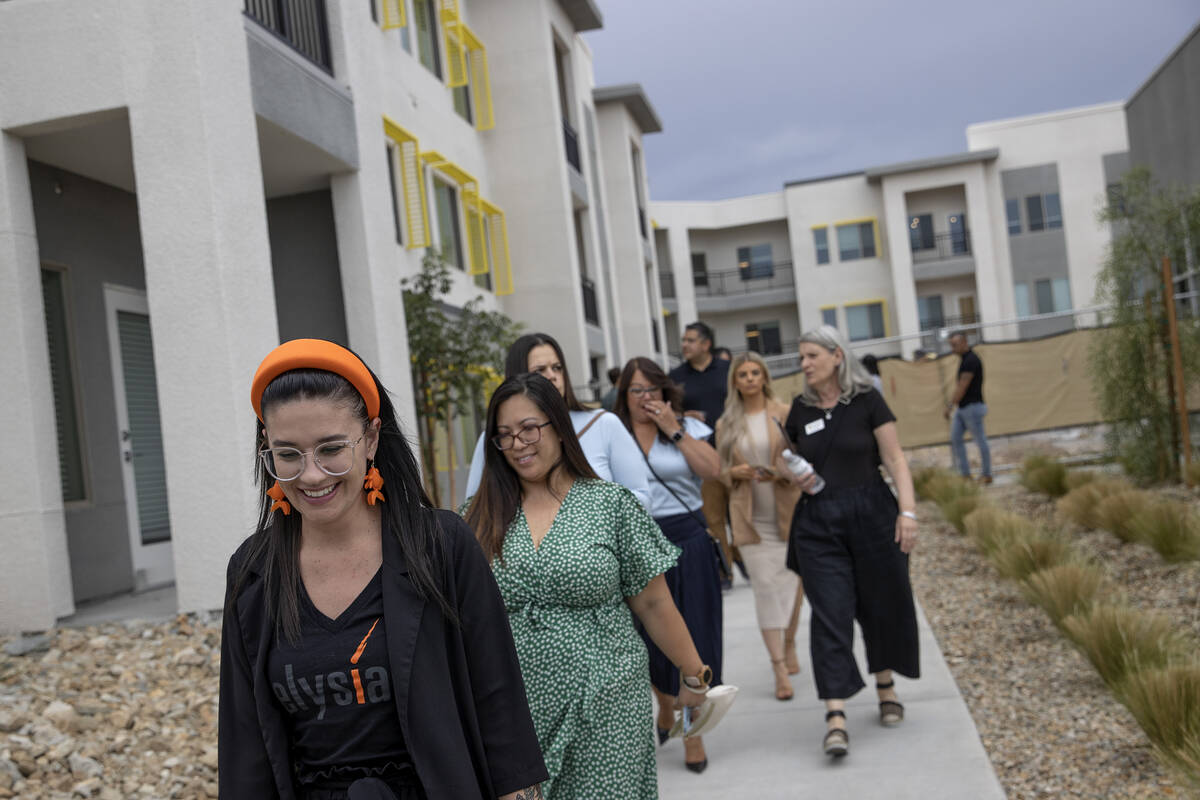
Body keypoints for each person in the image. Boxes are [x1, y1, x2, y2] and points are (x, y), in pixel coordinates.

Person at [220, 338, 547, 800]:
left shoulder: (441, 545)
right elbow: (244, 741)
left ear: (371, 438)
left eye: (331, 449)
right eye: (288, 454)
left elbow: (498, 699)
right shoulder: (253, 572)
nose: (311, 475)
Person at [463, 373, 714, 798]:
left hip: (608, 699)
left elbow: (654, 605)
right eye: (504, 435)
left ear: (559, 427)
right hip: (516, 715)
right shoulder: (477, 517)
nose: (518, 444)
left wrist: (694, 678)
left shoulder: (610, 504)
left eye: (529, 428)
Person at [783, 325, 919, 759]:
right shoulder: (799, 410)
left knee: (880, 605)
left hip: (873, 513)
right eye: (801, 357)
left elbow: (895, 458)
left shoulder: (867, 401)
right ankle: (836, 716)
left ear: (837, 356)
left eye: (811, 356)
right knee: (830, 615)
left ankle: (885, 686)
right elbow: (786, 455)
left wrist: (908, 512)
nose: (804, 364)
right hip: (819, 523)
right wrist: (793, 473)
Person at [615, 357, 723, 773]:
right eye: (637, 391)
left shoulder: (688, 427)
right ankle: (665, 701)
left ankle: (692, 734)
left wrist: (672, 430)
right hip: (636, 542)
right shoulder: (612, 433)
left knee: (697, 639)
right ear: (623, 396)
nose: (646, 398)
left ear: (666, 391)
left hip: (688, 538)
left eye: (653, 390)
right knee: (646, 644)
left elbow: (713, 470)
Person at [465, 333, 650, 509]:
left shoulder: (603, 424)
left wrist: (589, 512)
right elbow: (476, 506)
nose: (552, 376)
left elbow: (642, 498)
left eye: (557, 368)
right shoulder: (496, 438)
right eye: (540, 370)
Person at [715, 352, 805, 701]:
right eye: (743, 374)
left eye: (756, 373)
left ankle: (790, 640)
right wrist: (732, 473)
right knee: (766, 589)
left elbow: (800, 457)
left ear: (765, 377)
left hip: (787, 509)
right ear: (735, 381)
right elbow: (719, 472)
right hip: (749, 517)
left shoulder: (784, 413)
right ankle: (778, 665)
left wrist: (779, 471)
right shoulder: (726, 424)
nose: (750, 379)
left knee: (793, 584)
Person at [668, 322, 737, 587]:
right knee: (714, 517)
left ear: (706, 344)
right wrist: (683, 416)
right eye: (684, 340)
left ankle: (743, 555)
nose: (685, 345)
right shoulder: (675, 376)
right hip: (701, 459)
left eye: (691, 340)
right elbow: (669, 411)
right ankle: (725, 570)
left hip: (733, 453)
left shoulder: (727, 371)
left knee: (742, 513)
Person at [944, 331, 992, 484]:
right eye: (951, 345)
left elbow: (962, 386)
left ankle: (987, 474)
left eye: (955, 345)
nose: (953, 348)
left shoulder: (971, 360)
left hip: (972, 407)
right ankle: (965, 475)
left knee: (980, 440)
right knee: (956, 439)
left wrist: (950, 405)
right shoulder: (964, 360)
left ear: (964, 342)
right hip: (963, 408)